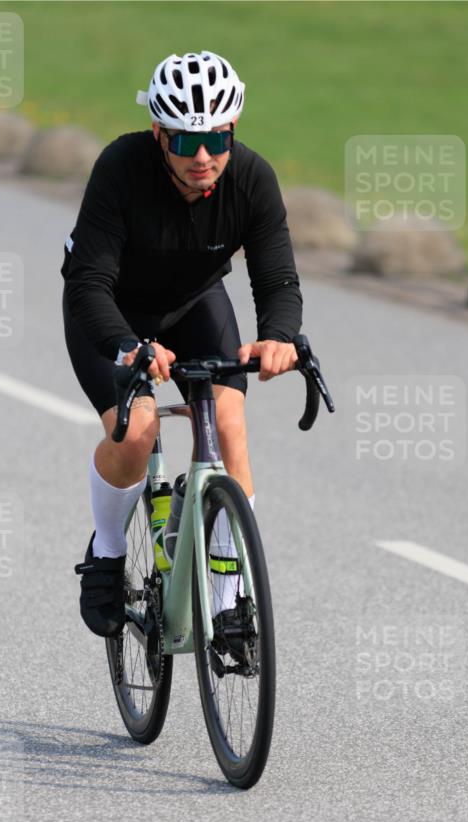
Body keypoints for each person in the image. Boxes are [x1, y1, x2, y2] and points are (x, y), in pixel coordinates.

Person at [62, 50, 302, 637]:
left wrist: (278, 337)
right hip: (111, 312)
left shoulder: (252, 180)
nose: (203, 158)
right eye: (186, 141)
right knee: (138, 430)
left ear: (232, 133)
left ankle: (226, 601)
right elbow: (89, 280)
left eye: (217, 142)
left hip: (193, 306)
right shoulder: (121, 168)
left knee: (228, 424)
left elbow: (277, 280)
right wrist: (126, 346)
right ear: (157, 132)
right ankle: (111, 550)